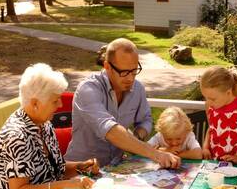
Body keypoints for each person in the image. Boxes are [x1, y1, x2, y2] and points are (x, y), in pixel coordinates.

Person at [65, 38, 180, 169]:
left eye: (134, 70)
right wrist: (156, 154)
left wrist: (136, 137)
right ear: (107, 66)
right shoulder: (88, 89)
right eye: (124, 72)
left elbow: (146, 120)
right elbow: (110, 130)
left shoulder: (137, 89)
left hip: (117, 169)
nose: (130, 78)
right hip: (80, 172)